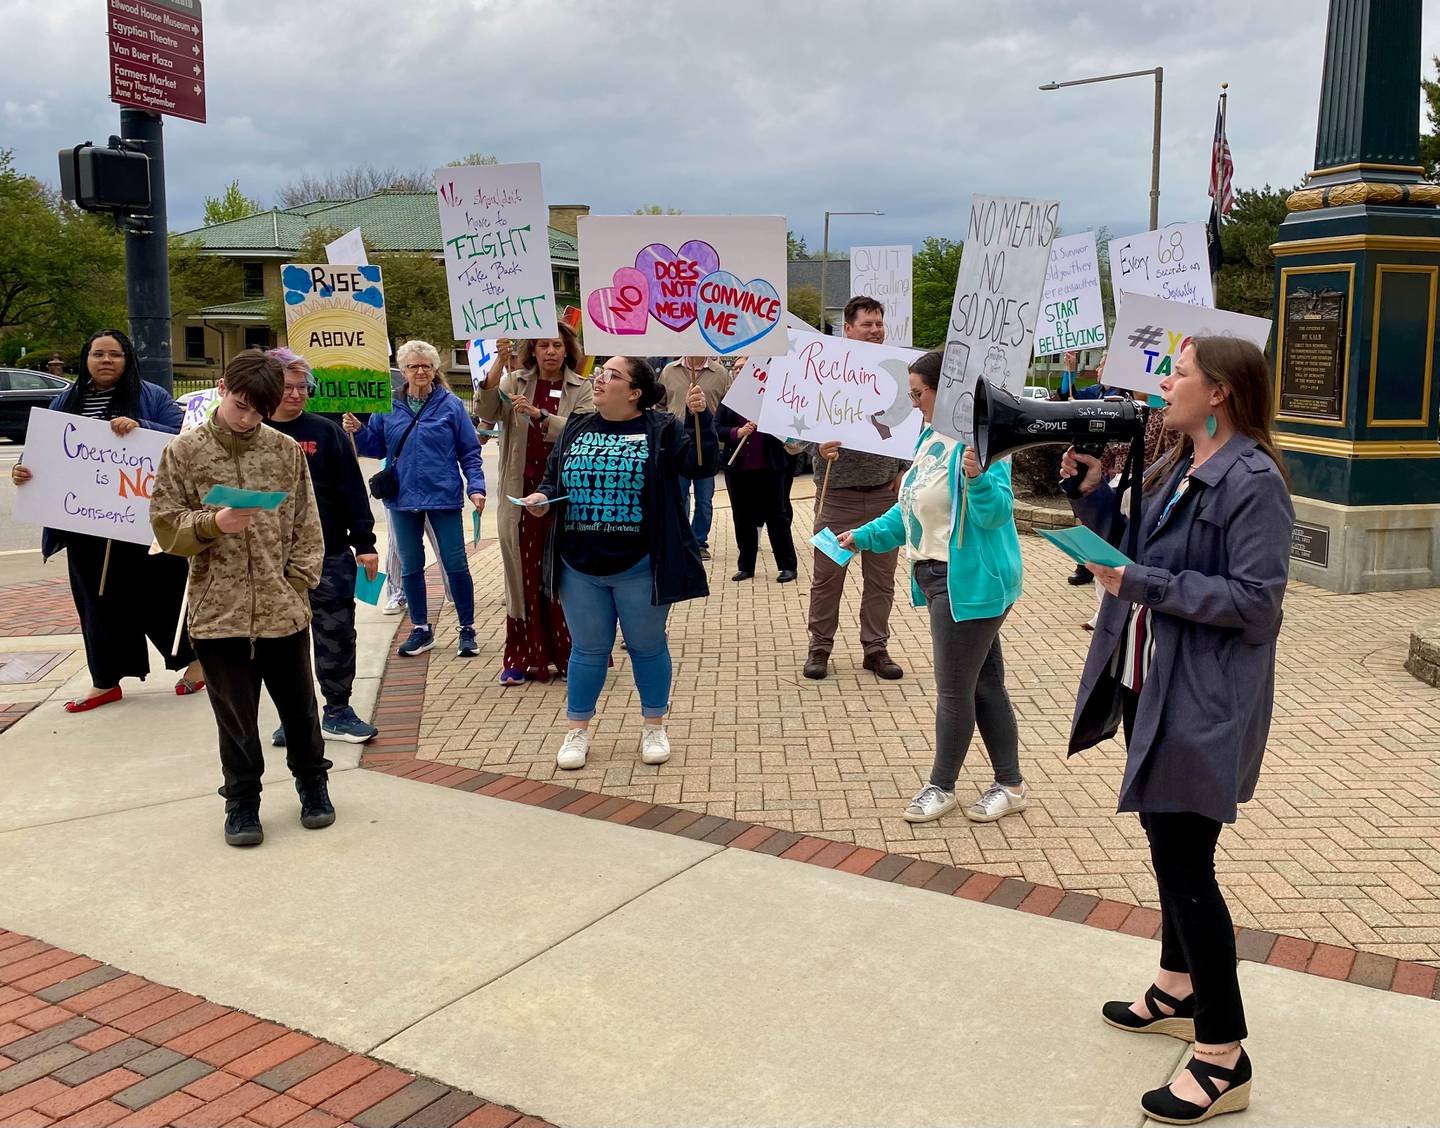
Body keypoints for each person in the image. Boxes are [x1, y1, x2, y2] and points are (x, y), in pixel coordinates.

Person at [1062, 337, 1293, 1124]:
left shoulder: (1253, 481)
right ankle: (1177, 986)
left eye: (1180, 373)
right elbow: (1131, 553)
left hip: (1203, 699)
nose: (1165, 384)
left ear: (1220, 392)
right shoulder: (1177, 463)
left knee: (1188, 866)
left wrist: (1146, 583)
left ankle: (1224, 1055)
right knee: (1167, 846)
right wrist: (1092, 497)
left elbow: (1257, 604)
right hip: (1154, 684)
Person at [150, 351, 331, 848]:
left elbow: (307, 523)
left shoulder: (284, 450)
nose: (248, 418)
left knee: (300, 708)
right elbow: (165, 526)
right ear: (223, 388)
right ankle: (242, 801)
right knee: (235, 718)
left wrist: (298, 581)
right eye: (241, 405)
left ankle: (313, 783)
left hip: (281, 608)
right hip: (218, 612)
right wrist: (213, 523)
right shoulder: (184, 452)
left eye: (259, 411)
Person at [839, 351, 1026, 824]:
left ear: (946, 393)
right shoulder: (929, 437)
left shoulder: (983, 441)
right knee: (984, 684)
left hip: (968, 582)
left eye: (918, 393)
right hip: (942, 576)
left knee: (955, 690)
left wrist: (978, 478)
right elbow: (912, 508)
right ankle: (1010, 784)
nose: (914, 402)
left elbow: (996, 513)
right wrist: (864, 535)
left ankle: (941, 786)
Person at [518, 356, 718, 770]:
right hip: (579, 564)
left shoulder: (662, 428)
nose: (599, 379)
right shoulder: (577, 425)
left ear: (634, 392)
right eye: (600, 373)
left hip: (640, 565)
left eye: (611, 375)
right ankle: (577, 731)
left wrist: (702, 417)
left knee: (647, 646)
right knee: (587, 650)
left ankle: (653, 726)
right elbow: (554, 481)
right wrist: (542, 498)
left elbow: (701, 465)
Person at [12, 329, 204, 712]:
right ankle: (106, 680)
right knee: (98, 603)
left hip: (143, 522)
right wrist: (23, 469)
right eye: (97, 353)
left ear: (127, 359)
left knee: (162, 593)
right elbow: (43, 451)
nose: (105, 360)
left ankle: (195, 662)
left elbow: (186, 439)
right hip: (84, 525)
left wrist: (143, 427)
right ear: (86, 359)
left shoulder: (151, 396)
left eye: (114, 354)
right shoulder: (66, 400)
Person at [264, 348, 381, 745]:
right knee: (282, 642)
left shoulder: (326, 432)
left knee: (336, 632)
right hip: (271, 558)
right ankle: (294, 715)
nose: (296, 395)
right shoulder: (253, 432)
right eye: (288, 387)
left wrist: (364, 542)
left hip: (328, 553)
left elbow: (352, 490)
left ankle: (338, 710)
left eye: (303, 387)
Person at [344, 341, 485, 659]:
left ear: (435, 370)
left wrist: (476, 487)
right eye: (413, 366)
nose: (420, 371)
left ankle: (467, 629)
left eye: (426, 366)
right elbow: (375, 447)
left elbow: (469, 451)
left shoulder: (451, 405)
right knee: (410, 566)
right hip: (401, 497)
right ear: (404, 370)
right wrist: (358, 430)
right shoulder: (387, 405)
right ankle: (420, 628)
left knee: (456, 563)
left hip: (443, 496)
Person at [796, 296, 910, 681]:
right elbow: (791, 432)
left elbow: (912, 422)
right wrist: (816, 446)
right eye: (867, 324)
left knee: (881, 581)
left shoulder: (898, 371)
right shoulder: (822, 371)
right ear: (847, 328)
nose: (875, 330)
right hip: (836, 499)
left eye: (879, 323)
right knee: (827, 579)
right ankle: (819, 647)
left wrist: (905, 469)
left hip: (884, 500)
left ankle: (875, 649)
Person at [475, 328, 594, 685]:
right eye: (544, 345)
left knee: (564, 575)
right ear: (533, 350)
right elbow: (486, 411)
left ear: (567, 350)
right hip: (521, 495)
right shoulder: (514, 381)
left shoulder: (582, 387)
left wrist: (540, 415)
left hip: (565, 497)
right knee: (523, 573)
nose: (551, 351)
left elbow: (584, 431)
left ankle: (573, 656)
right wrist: (499, 363)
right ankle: (520, 658)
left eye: (557, 345)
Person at [659, 356, 732, 560]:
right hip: (676, 445)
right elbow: (659, 404)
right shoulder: (669, 371)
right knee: (679, 497)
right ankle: (682, 540)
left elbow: (728, 408)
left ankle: (699, 542)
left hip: (706, 447)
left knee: (704, 500)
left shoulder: (720, 373)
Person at [715, 398, 797, 583]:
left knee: (777, 517)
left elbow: (788, 426)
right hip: (738, 470)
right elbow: (716, 428)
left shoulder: (774, 398)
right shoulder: (731, 399)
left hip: (770, 469)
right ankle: (746, 566)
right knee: (742, 518)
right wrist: (737, 432)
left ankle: (787, 566)